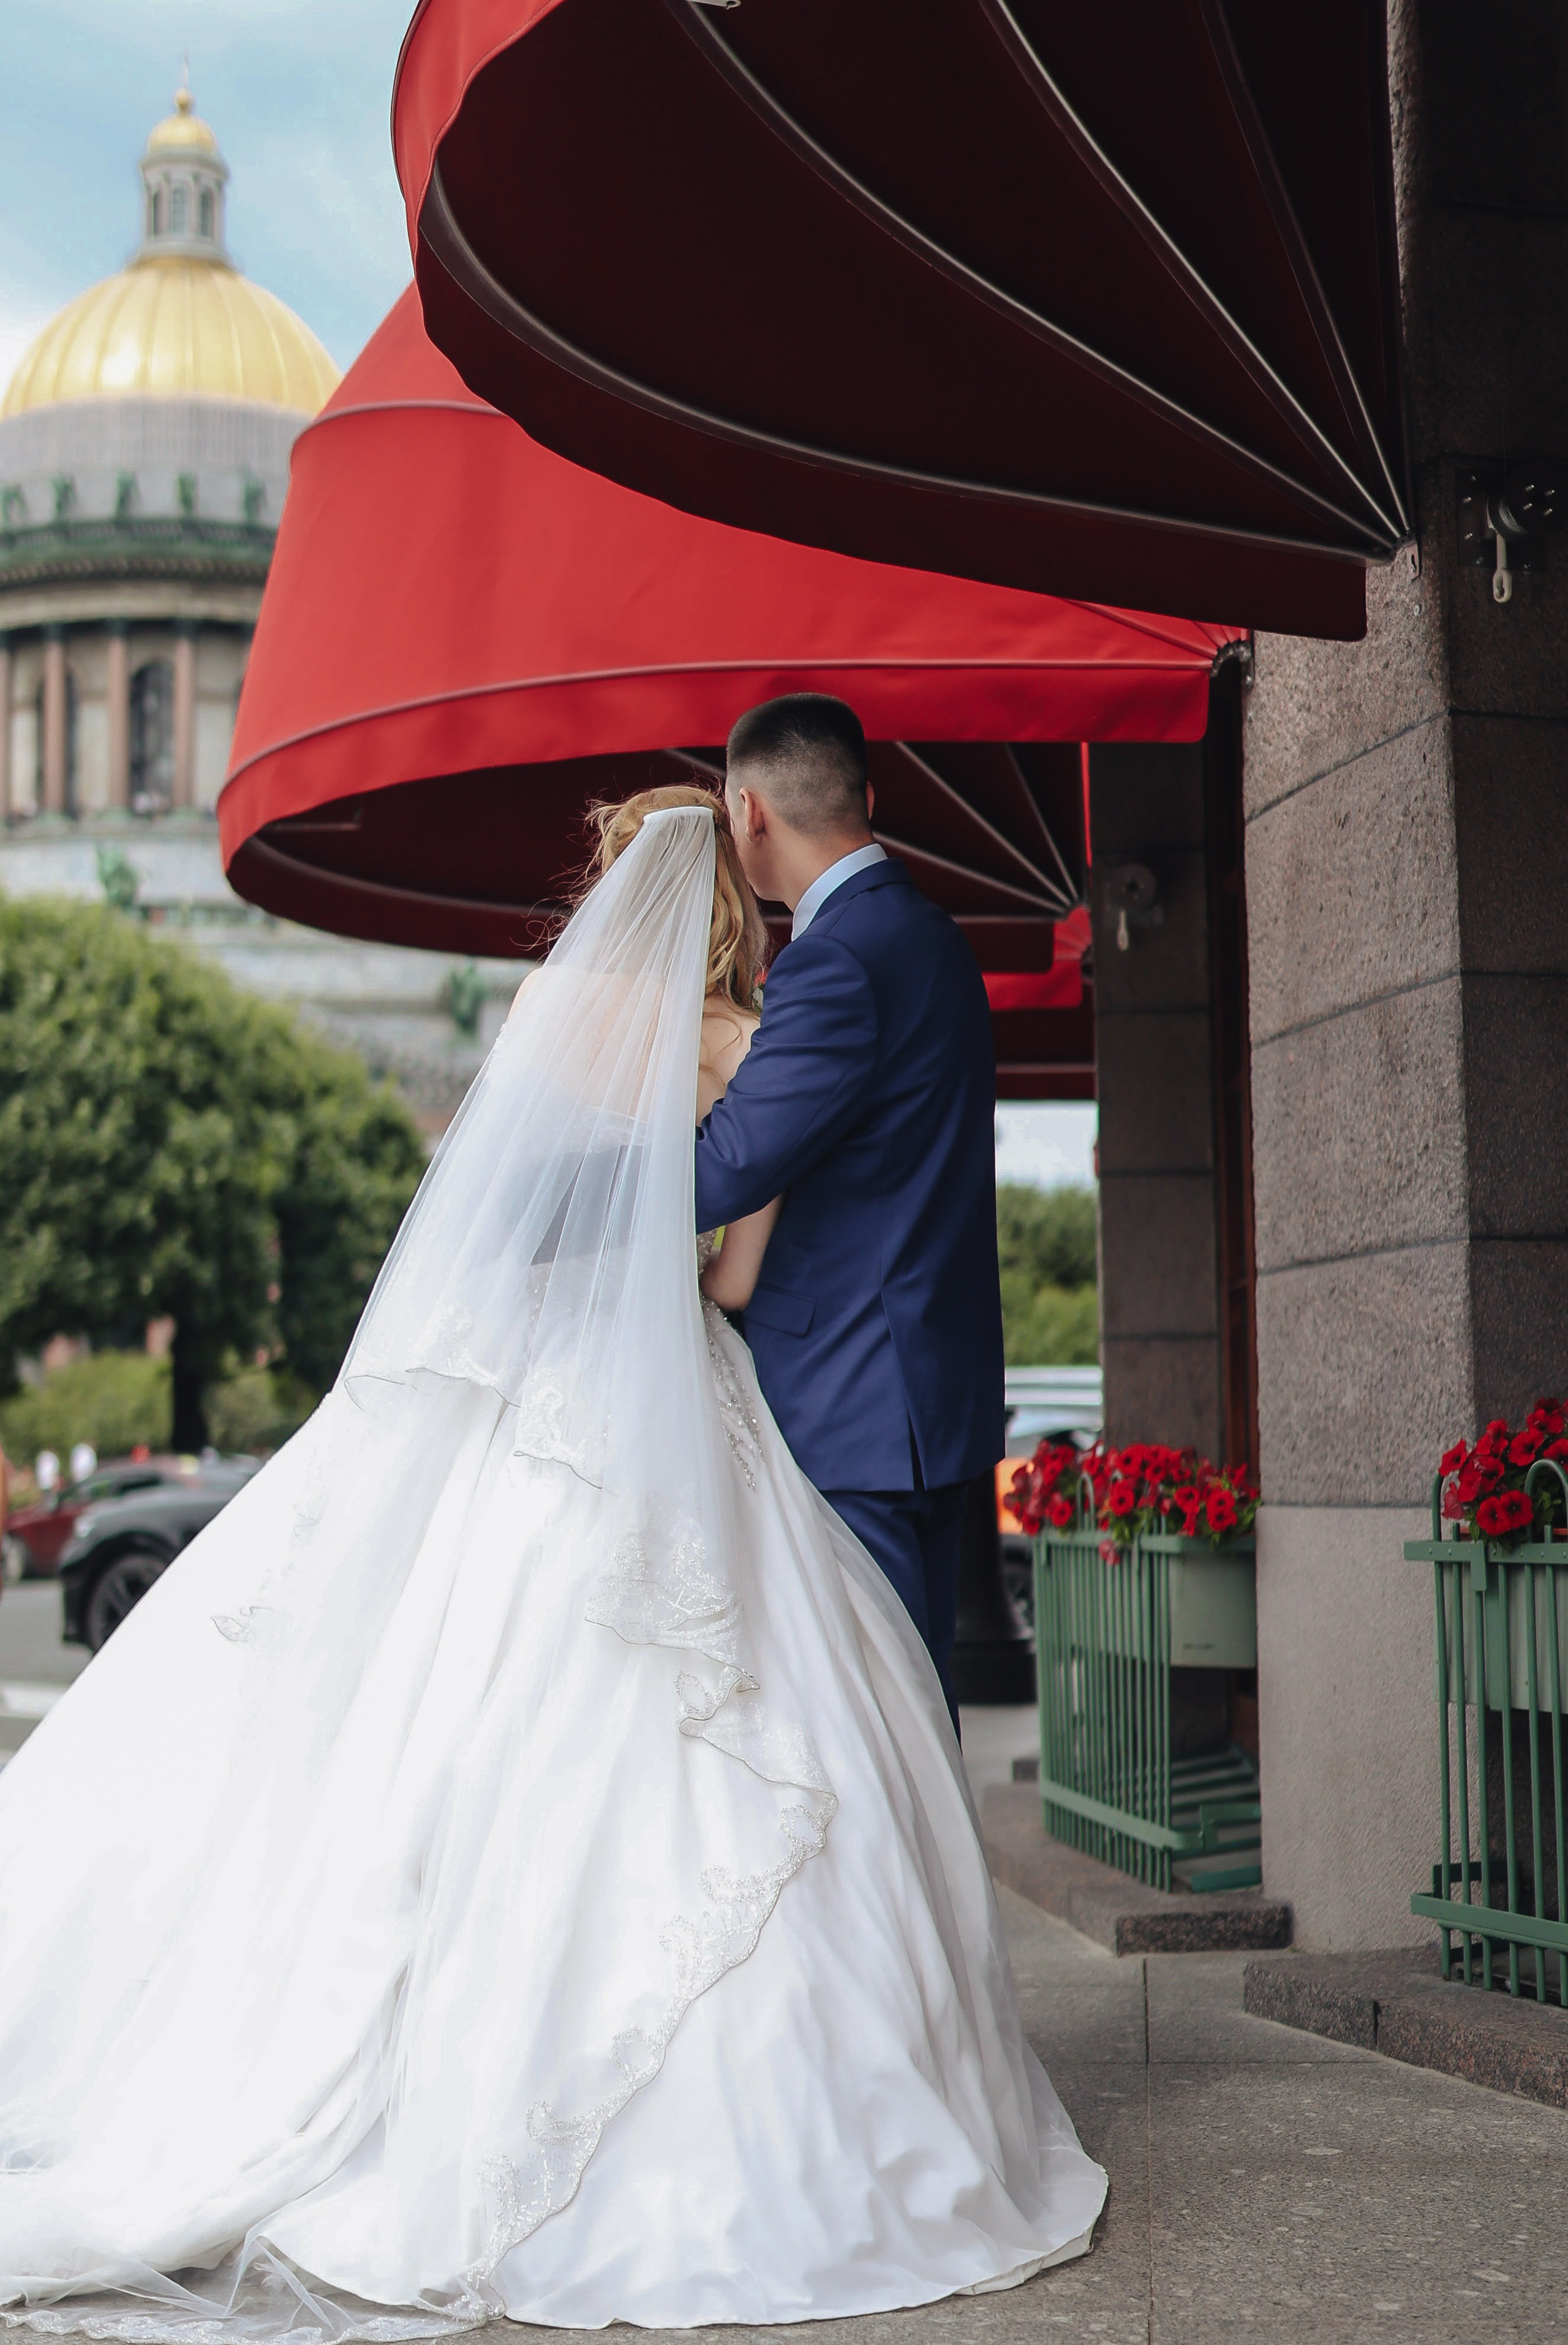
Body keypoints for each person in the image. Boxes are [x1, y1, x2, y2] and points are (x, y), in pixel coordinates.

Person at [0, 792, 1104, 2339]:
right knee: (719, 1729)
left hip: (504, 1390)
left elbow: (490, 1210)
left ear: (605, 890)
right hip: (677, 1402)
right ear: (738, 886)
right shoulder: (742, 1038)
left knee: (430, 1712)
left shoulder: (541, 1008)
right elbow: (727, 1268)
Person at [697, 693, 1002, 1728]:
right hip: (927, 1395)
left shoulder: (837, 959)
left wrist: (577, 1193)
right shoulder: (935, 940)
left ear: (747, 813)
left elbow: (734, 1162)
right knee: (911, 1714)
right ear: (867, 798)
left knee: (872, 1725)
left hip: (851, 1407)